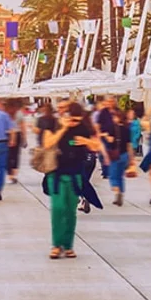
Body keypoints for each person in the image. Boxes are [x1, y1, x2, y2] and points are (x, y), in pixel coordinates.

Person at [42, 102, 102, 259]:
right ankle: (56, 245)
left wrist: (86, 142)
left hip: (75, 175)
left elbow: (97, 146)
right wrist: (63, 129)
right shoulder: (53, 124)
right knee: (58, 209)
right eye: (72, 119)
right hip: (56, 175)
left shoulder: (83, 127)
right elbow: (47, 143)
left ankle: (68, 246)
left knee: (70, 212)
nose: (74, 123)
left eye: (77, 120)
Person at [107, 109, 133, 207]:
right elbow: (129, 145)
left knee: (113, 176)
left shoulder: (112, 128)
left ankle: (117, 192)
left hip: (115, 155)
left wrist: (105, 136)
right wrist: (131, 158)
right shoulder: (127, 129)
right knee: (120, 176)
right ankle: (121, 193)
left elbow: (110, 141)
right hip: (125, 155)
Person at [6, 100, 27, 184]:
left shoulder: (5, 113)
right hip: (17, 134)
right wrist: (24, 138)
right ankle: (14, 175)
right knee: (16, 155)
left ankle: (9, 175)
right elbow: (23, 127)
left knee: (7, 155)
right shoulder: (19, 113)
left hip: (6, 135)